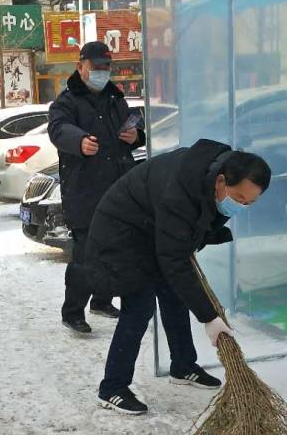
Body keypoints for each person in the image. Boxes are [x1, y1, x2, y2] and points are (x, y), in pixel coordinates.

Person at [80, 139, 271, 415]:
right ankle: (112, 388)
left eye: (250, 202)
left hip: (154, 229)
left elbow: (194, 228)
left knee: (174, 295)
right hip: (121, 234)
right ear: (221, 181)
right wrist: (209, 318)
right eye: (239, 199)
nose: (242, 206)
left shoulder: (213, 179)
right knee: (139, 306)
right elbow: (174, 260)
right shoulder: (179, 192)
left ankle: (183, 365)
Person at [48, 41, 145, 335]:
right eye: (96, 67)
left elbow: (132, 128)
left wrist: (135, 136)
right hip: (85, 192)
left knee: (118, 249)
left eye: (106, 67)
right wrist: (79, 142)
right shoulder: (66, 102)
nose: (102, 72)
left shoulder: (116, 99)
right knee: (86, 255)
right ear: (81, 67)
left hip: (119, 188)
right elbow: (58, 129)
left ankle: (102, 301)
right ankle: (73, 311)